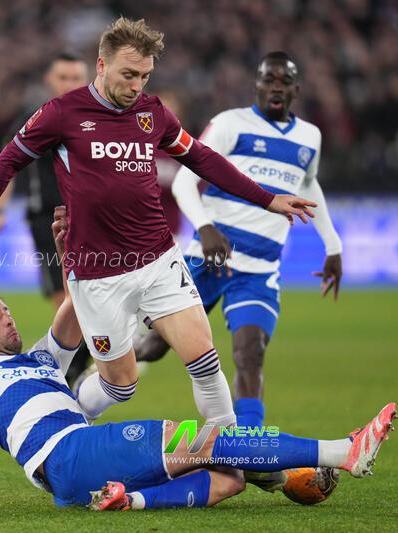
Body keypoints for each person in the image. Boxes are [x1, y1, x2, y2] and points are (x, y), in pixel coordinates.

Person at [0, 207, 397, 510]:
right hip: (69, 455)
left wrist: (72, 244)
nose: (7, 315)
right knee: (212, 439)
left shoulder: (39, 361)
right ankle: (345, 450)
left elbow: (74, 301)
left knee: (225, 479)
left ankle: (133, 501)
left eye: (6, 308)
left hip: (78, 473)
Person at [0, 18, 317, 432]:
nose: (136, 86)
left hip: (158, 259)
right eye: (128, 74)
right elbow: (8, 161)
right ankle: (63, 429)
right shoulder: (61, 113)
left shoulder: (152, 112)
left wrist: (267, 199)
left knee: (204, 357)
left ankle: (233, 448)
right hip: (97, 274)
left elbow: (200, 157)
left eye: (144, 76)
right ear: (101, 65)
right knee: (121, 384)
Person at [134, 52, 343, 490]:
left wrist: (333, 243)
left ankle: (249, 450)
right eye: (269, 79)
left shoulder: (310, 137)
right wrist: (206, 227)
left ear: (296, 89)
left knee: (250, 353)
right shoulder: (230, 124)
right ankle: (96, 371)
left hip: (260, 270)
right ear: (257, 84)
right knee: (153, 346)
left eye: (284, 81)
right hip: (206, 259)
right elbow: (186, 179)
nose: (276, 87)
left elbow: (308, 186)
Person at [0, 52, 92, 385]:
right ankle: (78, 364)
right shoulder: (34, 117)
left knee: (80, 296)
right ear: (49, 80)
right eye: (63, 77)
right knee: (61, 298)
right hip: (44, 220)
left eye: (76, 78)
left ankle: (75, 366)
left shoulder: (97, 118)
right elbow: (8, 164)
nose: (70, 84)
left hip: (90, 217)